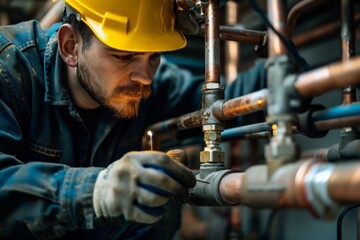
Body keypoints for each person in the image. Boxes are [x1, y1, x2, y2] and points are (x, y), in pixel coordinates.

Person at [0, 0, 206, 239]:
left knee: (158, 208)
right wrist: (97, 190)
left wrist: (261, 74)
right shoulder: (9, 69)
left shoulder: (152, 85)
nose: (146, 78)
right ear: (71, 46)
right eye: (124, 56)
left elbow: (222, 104)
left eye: (153, 56)